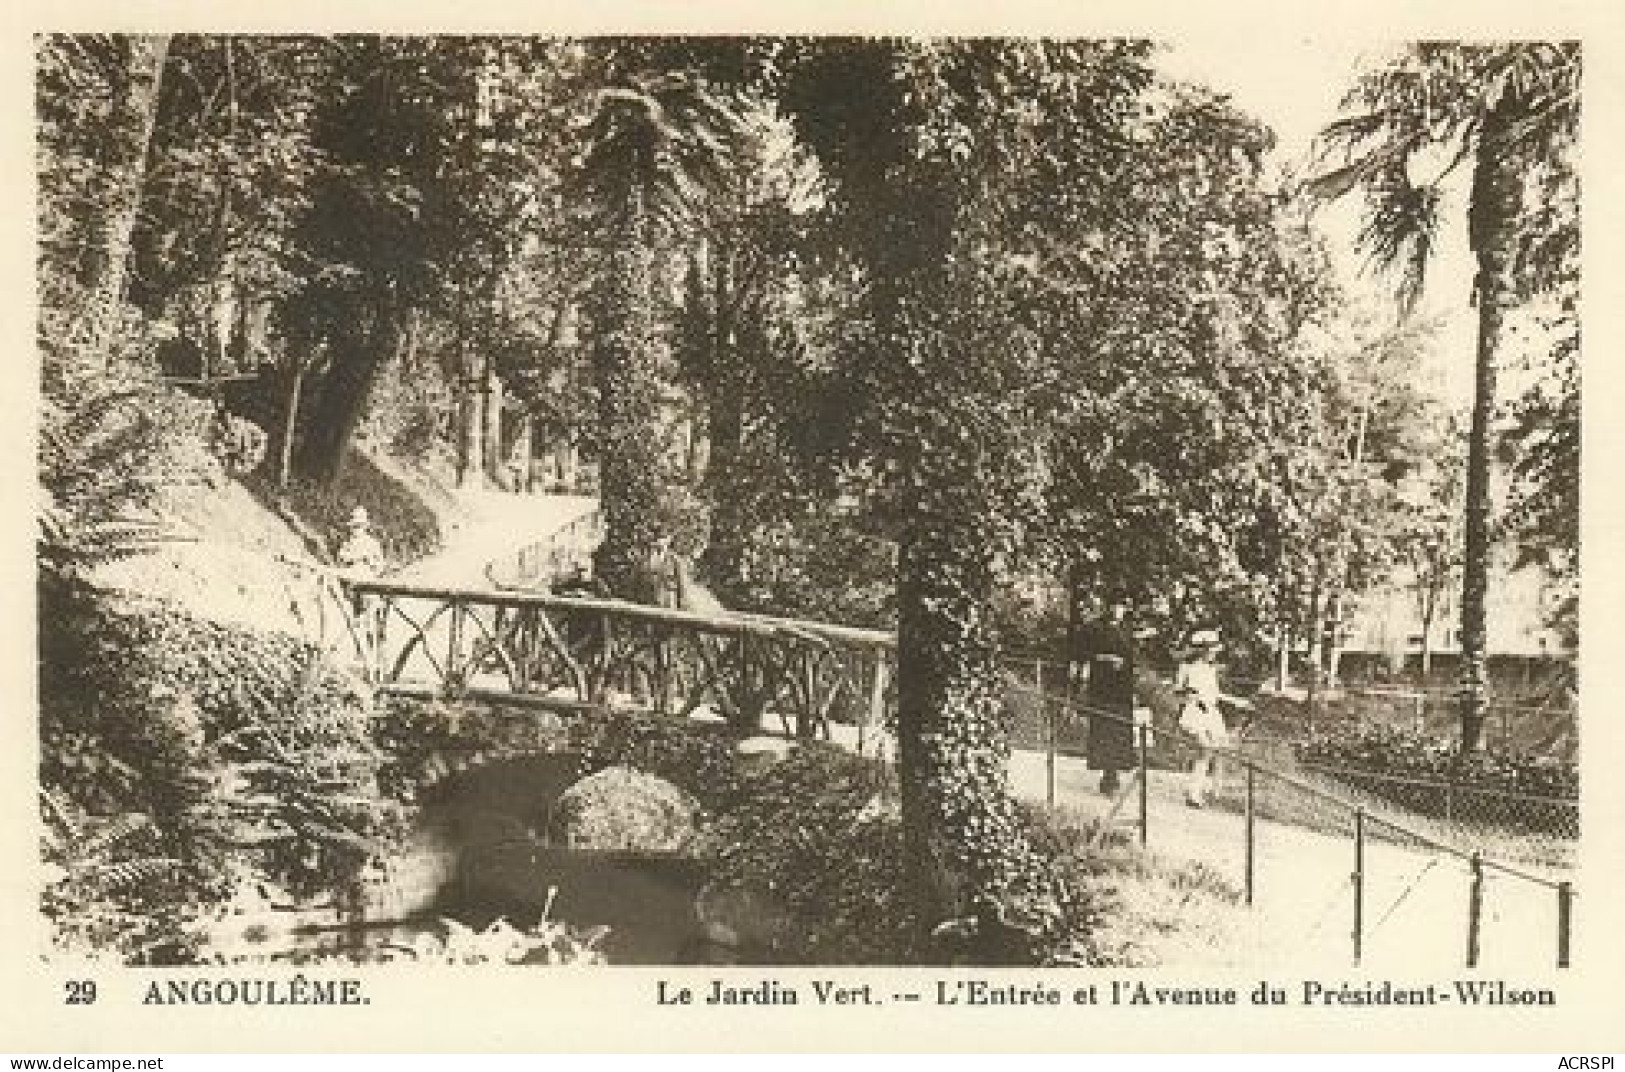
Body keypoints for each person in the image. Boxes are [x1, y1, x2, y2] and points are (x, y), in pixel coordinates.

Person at [1175, 628, 1247, 807]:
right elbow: (1180, 691)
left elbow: (1215, 694)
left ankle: (1202, 791)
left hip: (1210, 713)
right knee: (1205, 749)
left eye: (1215, 650)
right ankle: (1194, 792)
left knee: (1209, 753)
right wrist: (1188, 694)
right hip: (1196, 712)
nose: (1214, 654)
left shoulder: (1210, 670)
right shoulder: (1188, 668)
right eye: (1211, 650)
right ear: (1203, 650)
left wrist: (1236, 701)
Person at [1076, 598, 1140, 795]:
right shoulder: (1095, 628)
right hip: (1103, 688)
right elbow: (1084, 654)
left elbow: (1132, 659)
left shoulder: (1128, 630)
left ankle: (1115, 773)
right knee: (1104, 729)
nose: (1117, 609)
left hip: (1122, 690)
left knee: (1120, 730)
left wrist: (1132, 682)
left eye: (1121, 606)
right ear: (1109, 607)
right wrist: (1105, 658)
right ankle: (1107, 774)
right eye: (1115, 605)